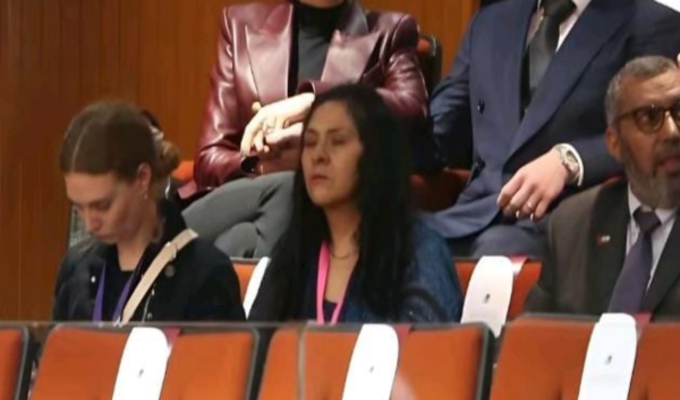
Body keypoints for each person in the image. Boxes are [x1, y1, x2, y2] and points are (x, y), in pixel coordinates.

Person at [424, 0, 680, 258]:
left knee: (495, 254)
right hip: (473, 214)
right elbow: (438, 137)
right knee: (408, 243)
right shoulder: (490, 21)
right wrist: (402, 118)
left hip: (570, 216)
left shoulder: (651, 23)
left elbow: (654, 136)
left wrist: (569, 160)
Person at [180, 0, 428, 258]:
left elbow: (413, 111)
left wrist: (317, 102)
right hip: (244, 199)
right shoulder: (239, 24)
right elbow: (209, 159)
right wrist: (265, 165)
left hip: (332, 212)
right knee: (274, 201)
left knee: (241, 238)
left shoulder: (390, 31)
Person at [249, 85, 462, 323]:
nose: (319, 155)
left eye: (337, 141)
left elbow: (428, 343)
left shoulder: (418, 250)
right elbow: (257, 342)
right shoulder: (296, 249)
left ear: (374, 153)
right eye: (310, 142)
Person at [53, 101, 245, 322]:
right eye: (78, 208)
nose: (89, 224)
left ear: (142, 178)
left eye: (102, 206)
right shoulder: (76, 268)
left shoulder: (205, 273)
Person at [526, 56, 680, 317]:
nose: (672, 132)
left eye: (679, 111)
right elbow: (537, 334)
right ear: (614, 143)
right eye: (649, 117)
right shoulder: (572, 225)